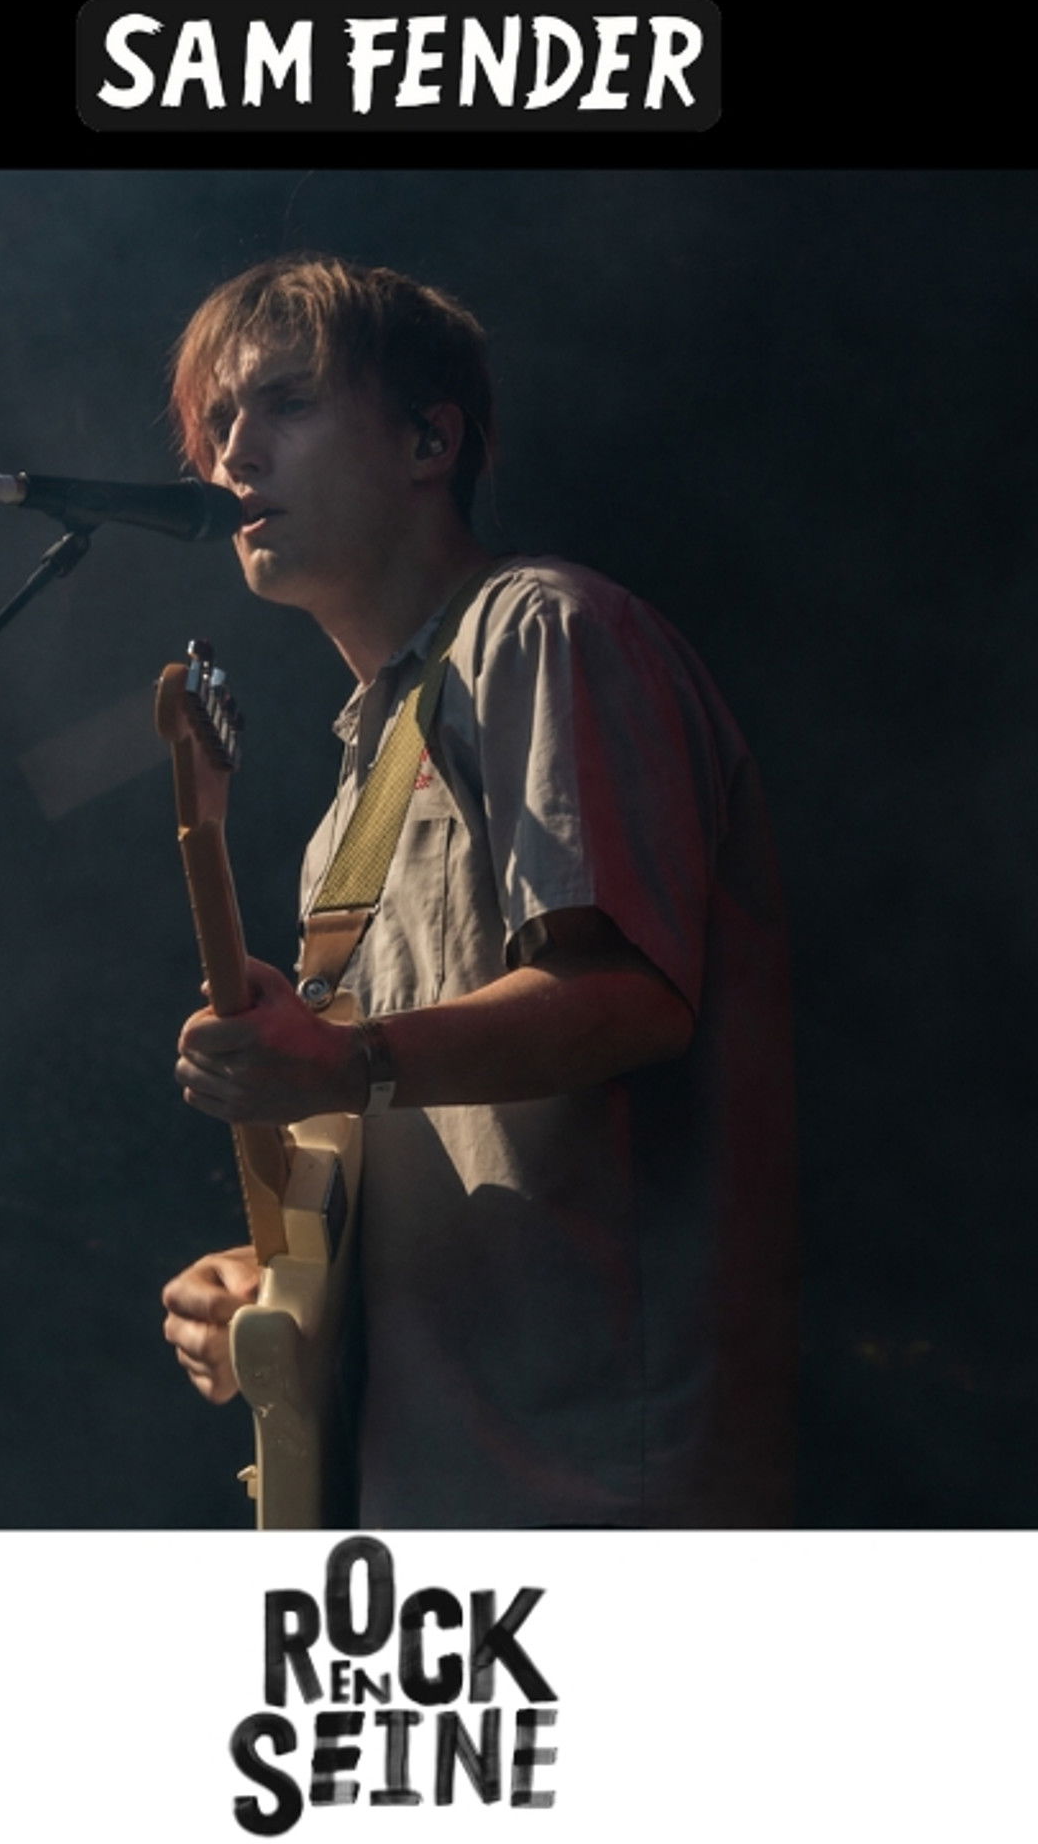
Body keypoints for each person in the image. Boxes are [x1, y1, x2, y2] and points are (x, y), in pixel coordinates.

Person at [161, 254, 797, 1528]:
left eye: (283, 405)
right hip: (426, 1492)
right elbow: (405, 1134)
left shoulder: (539, 628)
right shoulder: (357, 791)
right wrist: (280, 1295)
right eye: (219, 423)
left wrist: (348, 1062)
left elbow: (624, 996)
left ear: (426, 439)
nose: (233, 455)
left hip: (604, 1485)